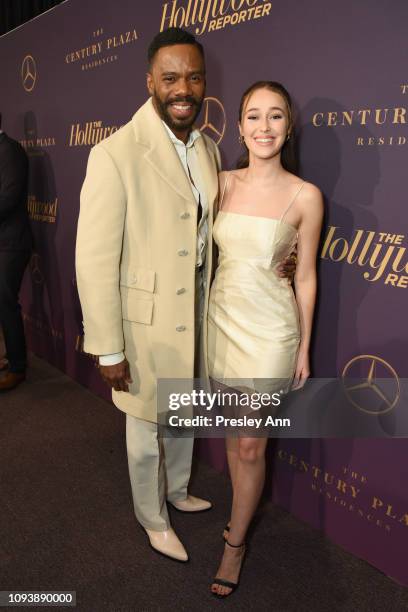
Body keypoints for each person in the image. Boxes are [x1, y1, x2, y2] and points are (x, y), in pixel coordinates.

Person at [76, 29, 294, 563]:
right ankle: (152, 518)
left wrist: (275, 256)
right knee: (145, 426)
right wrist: (108, 347)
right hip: (141, 322)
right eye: (170, 77)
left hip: (194, 316)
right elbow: (94, 259)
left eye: (194, 77)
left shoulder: (208, 146)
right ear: (150, 80)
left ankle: (176, 491)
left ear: (204, 83)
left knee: (182, 415)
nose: (183, 88)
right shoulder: (115, 153)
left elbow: (215, 231)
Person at [207, 81, 323, 597]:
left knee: (252, 444)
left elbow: (306, 276)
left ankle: (235, 543)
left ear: (289, 126)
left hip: (271, 330)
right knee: (235, 435)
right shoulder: (221, 183)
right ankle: (239, 516)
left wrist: (303, 346)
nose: (264, 127)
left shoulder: (306, 196)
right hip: (222, 322)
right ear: (239, 126)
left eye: (275, 117)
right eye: (254, 117)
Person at [0, 113, 32, 392]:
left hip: (12, 242)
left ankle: (18, 367)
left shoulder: (9, 151)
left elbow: (8, 198)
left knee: (6, 301)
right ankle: (8, 357)